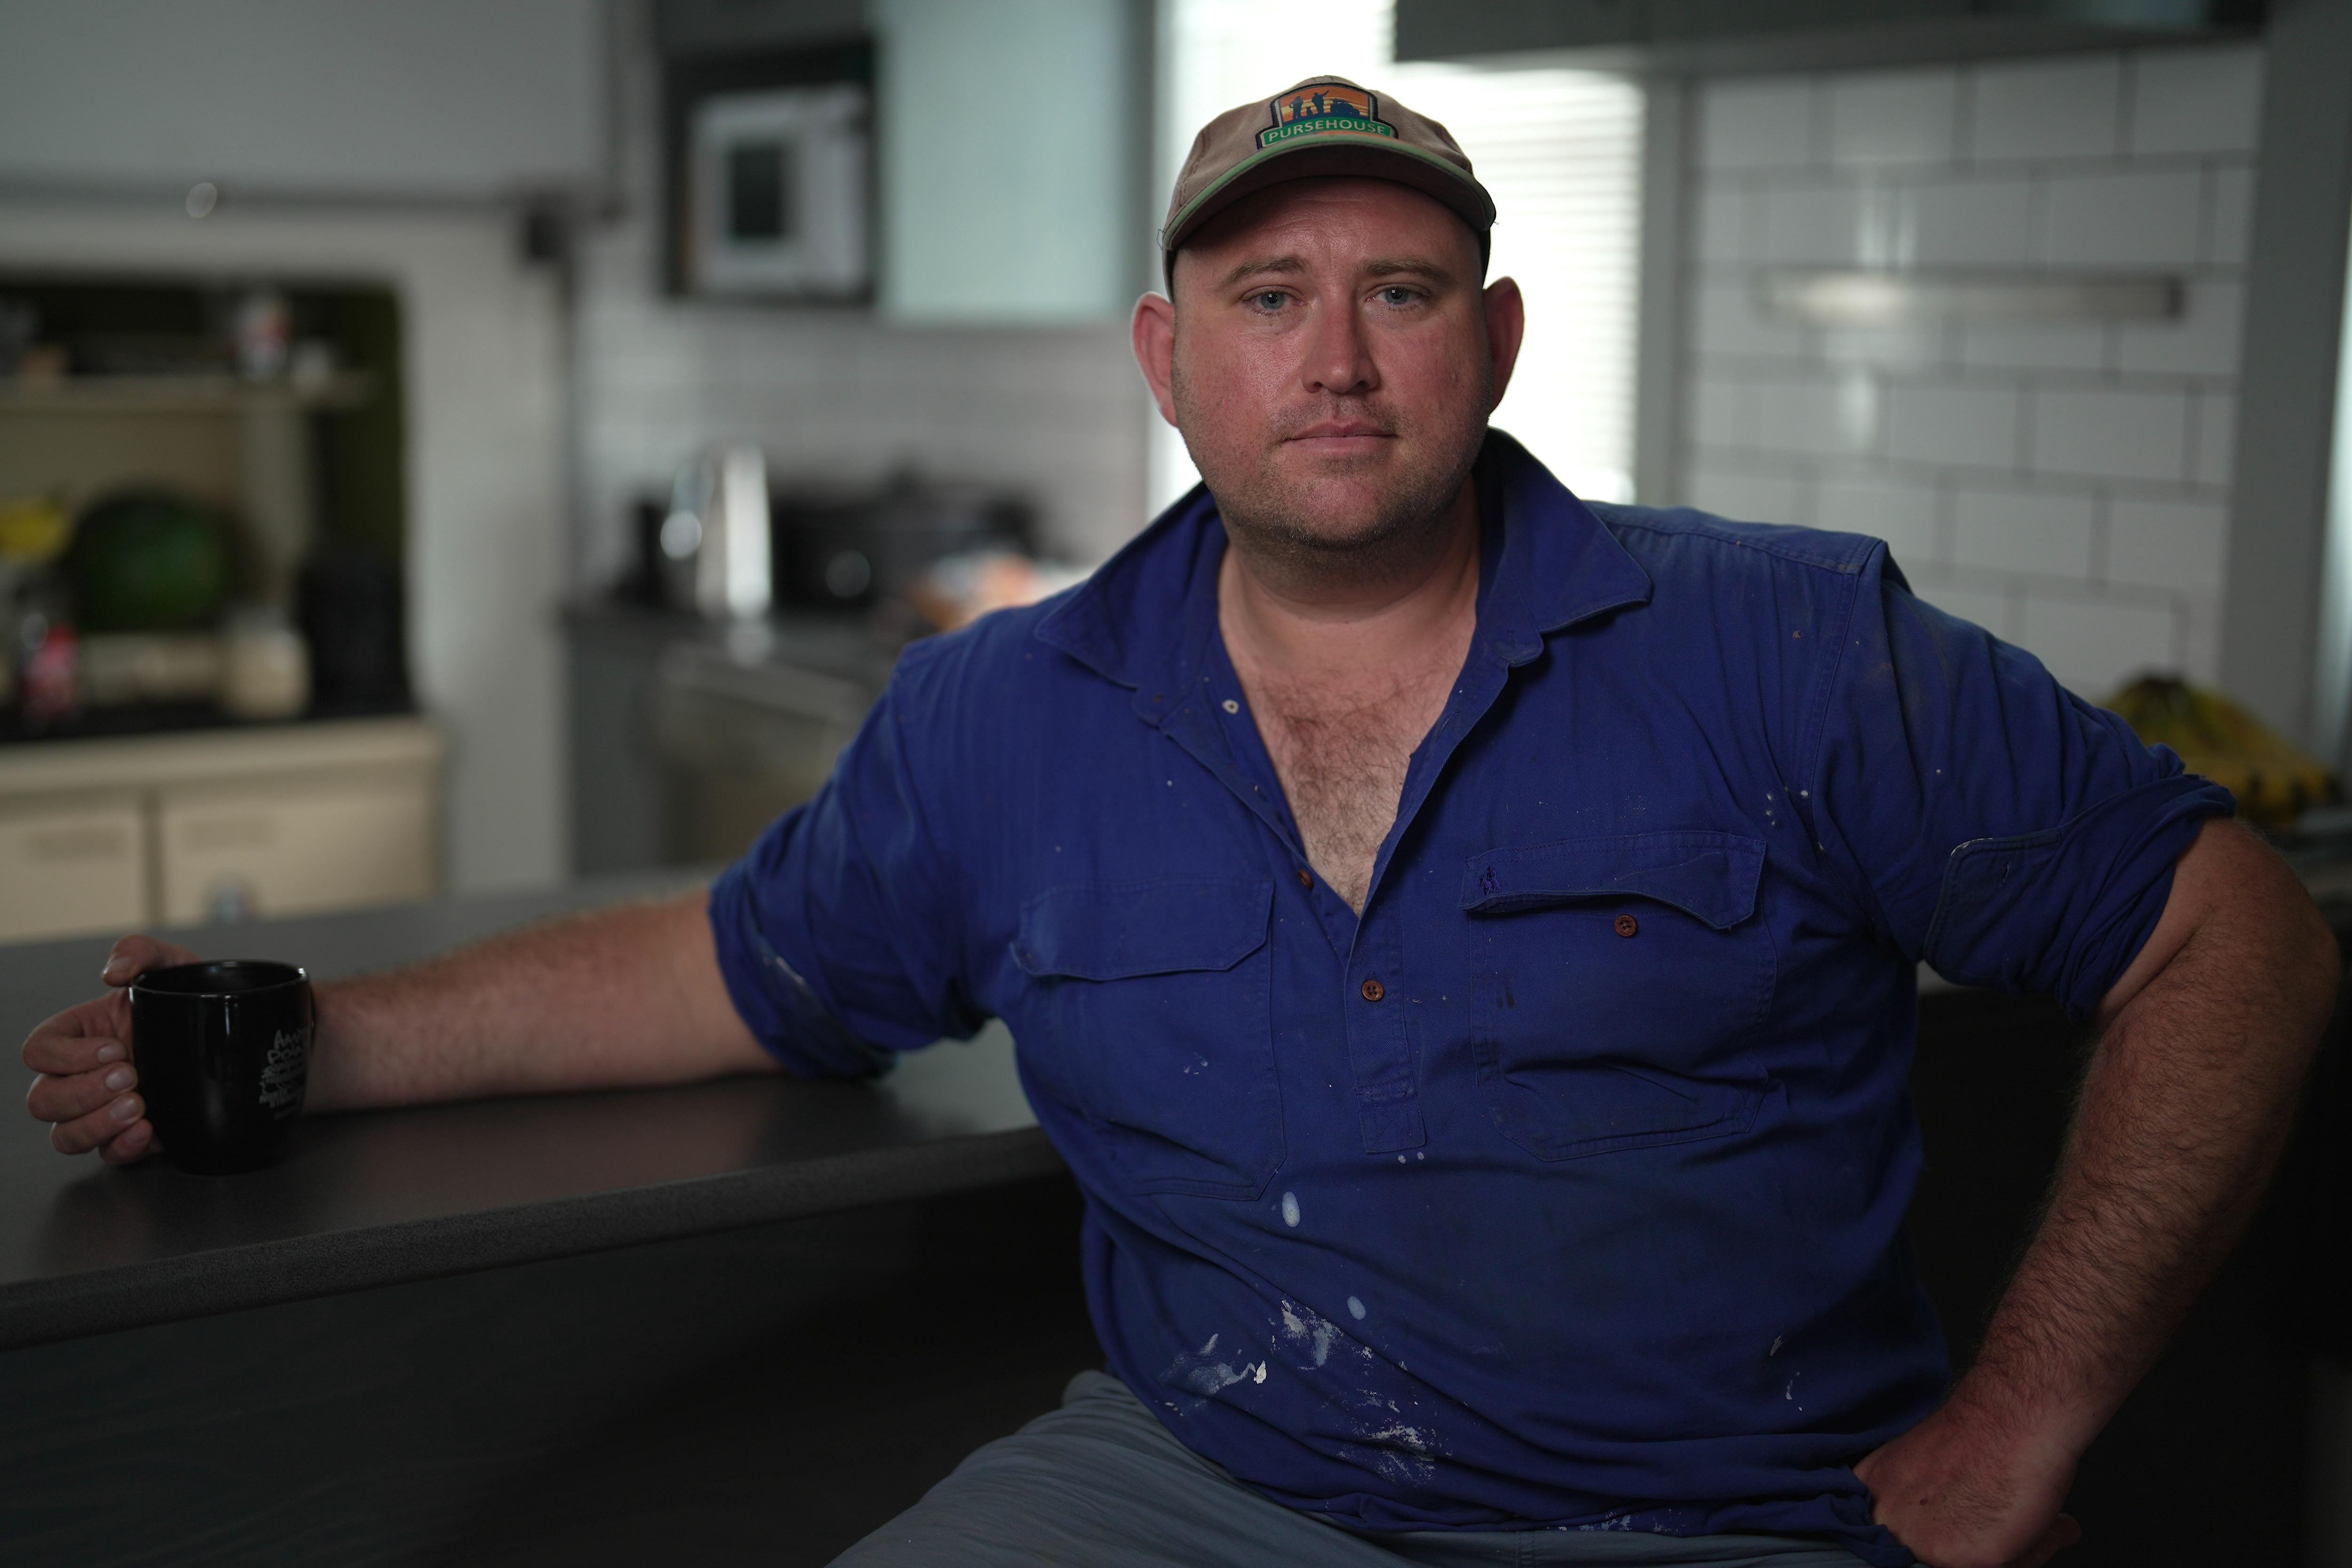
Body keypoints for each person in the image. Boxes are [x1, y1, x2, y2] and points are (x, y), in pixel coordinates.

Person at [22, 76, 2336, 1568]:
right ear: (1167, 356)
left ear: (1491, 340)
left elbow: (2230, 931)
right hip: (1208, 1489)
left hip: (1707, 1518)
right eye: (1265, 296)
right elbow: (734, 970)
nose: (1332, 358)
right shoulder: (1002, 714)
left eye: (1396, 293)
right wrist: (330, 1038)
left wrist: (2025, 1416)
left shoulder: (1786, 645)